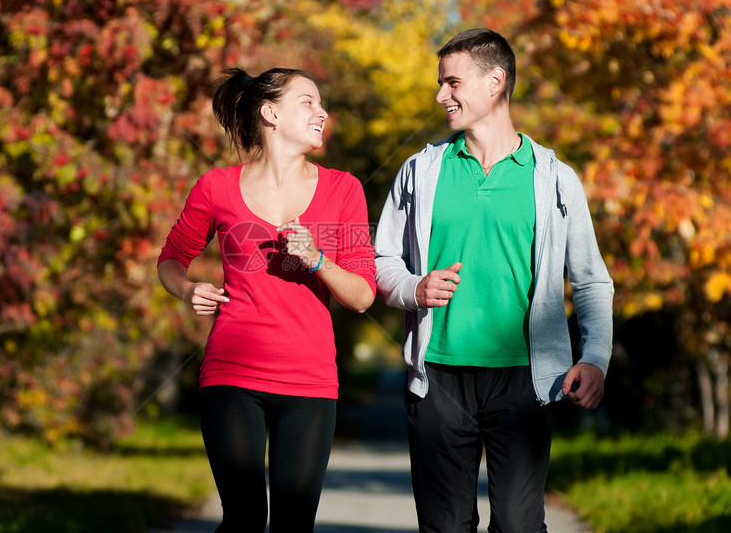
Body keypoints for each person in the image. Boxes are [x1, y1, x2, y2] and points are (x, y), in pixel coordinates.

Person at [374, 28, 614, 532]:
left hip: (527, 378)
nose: (442, 96)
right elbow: (382, 260)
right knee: (444, 528)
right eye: (441, 84)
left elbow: (591, 279)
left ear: (494, 83)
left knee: (519, 526)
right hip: (436, 376)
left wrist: (594, 357)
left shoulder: (553, 177)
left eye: (452, 83)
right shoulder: (421, 171)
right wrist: (414, 288)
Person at [158, 67, 376, 532]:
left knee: (293, 526)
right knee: (244, 518)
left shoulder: (344, 190)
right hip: (232, 376)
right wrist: (189, 289)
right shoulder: (215, 187)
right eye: (308, 102)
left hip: (310, 384)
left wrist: (318, 259)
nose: (322, 113)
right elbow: (172, 259)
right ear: (270, 113)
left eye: (320, 104)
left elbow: (362, 296)